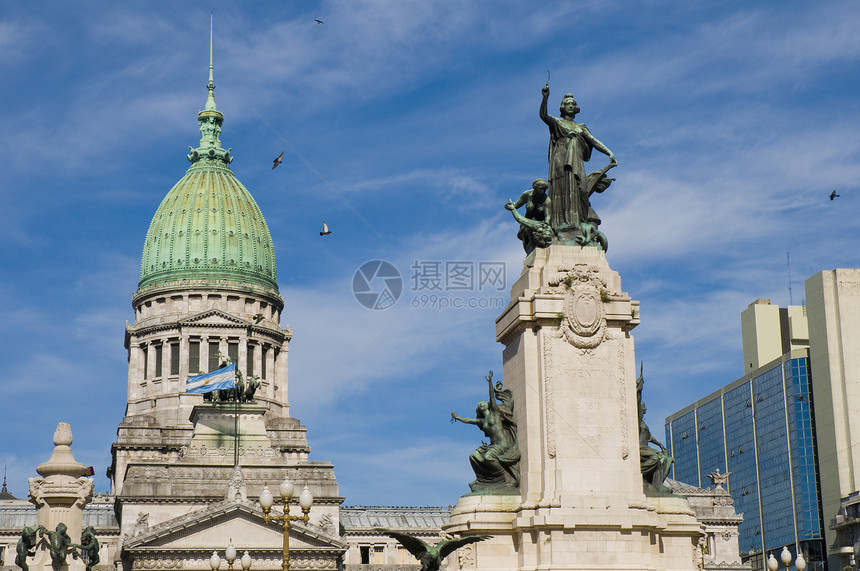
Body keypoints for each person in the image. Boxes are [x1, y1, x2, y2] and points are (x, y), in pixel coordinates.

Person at [540, 85, 616, 245]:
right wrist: (545, 98)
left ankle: (575, 223)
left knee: (578, 189)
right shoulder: (557, 122)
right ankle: (561, 225)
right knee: (561, 190)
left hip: (576, 162)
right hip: (560, 161)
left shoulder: (581, 127)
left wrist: (609, 152)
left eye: (572, 103)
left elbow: (593, 141)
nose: (570, 105)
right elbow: (543, 115)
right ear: (562, 107)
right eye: (567, 103)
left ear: (575, 108)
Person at [451, 371, 520, 493]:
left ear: (487, 406)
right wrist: (457, 417)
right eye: (479, 405)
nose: (480, 404)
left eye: (482, 403)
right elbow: (469, 420)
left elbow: (491, 397)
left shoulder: (494, 413)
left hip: (502, 445)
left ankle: (505, 477)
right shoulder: (482, 421)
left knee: (488, 457)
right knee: (474, 456)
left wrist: (490, 382)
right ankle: (485, 480)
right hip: (493, 446)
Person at [505, 178, 554, 253]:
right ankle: (531, 246)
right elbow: (516, 205)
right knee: (527, 231)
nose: (543, 191)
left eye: (545, 189)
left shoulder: (546, 200)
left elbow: (548, 214)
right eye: (541, 189)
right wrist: (510, 206)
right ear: (535, 188)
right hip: (528, 221)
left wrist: (546, 223)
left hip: (540, 223)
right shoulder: (527, 194)